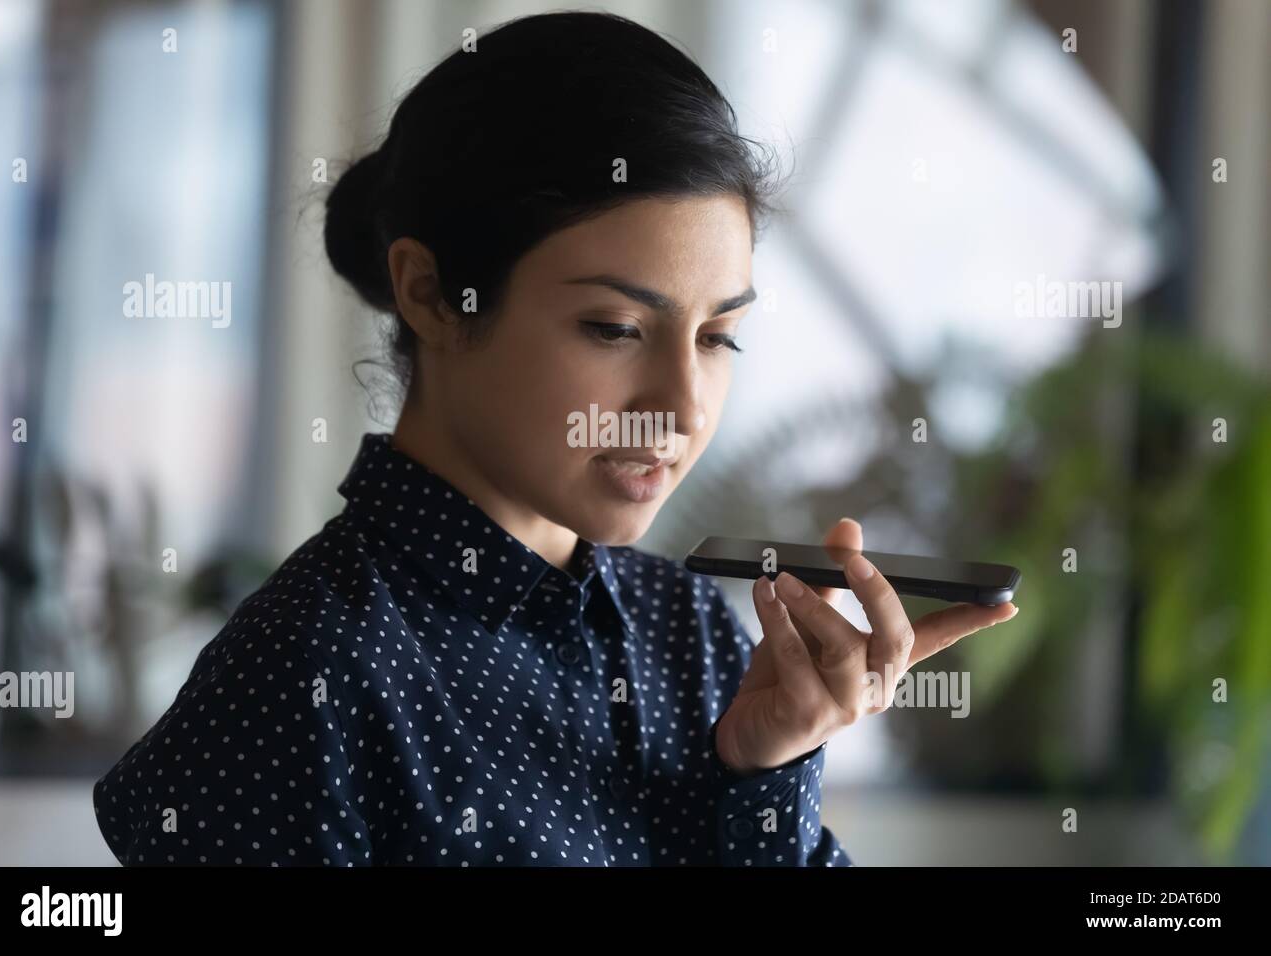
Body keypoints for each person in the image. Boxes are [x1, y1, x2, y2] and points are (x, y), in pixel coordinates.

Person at [93, 10, 1016, 867]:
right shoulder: (305, 675)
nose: (683, 407)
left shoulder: (683, 631)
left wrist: (768, 774)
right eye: (615, 329)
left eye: (717, 336)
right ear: (429, 293)